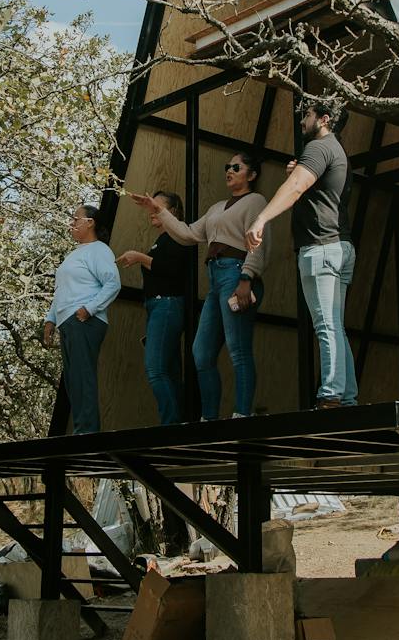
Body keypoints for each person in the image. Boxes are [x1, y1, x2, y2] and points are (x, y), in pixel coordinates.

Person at [129, 154, 268, 418]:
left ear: (252, 175)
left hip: (237, 271)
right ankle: (209, 418)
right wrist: (159, 210)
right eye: (227, 167)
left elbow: (258, 240)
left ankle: (241, 414)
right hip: (215, 277)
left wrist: (247, 277)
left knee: (238, 348)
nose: (229, 170)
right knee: (201, 352)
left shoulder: (256, 201)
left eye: (236, 167)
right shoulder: (217, 208)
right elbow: (188, 234)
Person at [247, 97, 355, 408]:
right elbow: (312, 188)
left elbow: (295, 188)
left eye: (306, 115)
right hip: (339, 247)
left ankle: (332, 395)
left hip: (321, 248)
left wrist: (261, 219)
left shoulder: (318, 147)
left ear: (324, 119)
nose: (301, 121)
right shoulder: (336, 150)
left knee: (326, 325)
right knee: (335, 325)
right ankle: (346, 397)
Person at [117, 192, 195, 426]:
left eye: (157, 206)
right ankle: (179, 423)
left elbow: (171, 269)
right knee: (169, 371)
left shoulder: (178, 235)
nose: (151, 211)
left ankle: (171, 424)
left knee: (156, 369)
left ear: (173, 211)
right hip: (158, 306)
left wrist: (140, 257)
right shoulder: (162, 240)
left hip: (167, 304)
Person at [44, 202, 121, 434]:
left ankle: (87, 432)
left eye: (76, 219)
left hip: (85, 321)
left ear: (90, 223)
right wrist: (50, 319)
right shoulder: (74, 254)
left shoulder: (99, 250)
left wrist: (89, 309)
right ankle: (81, 429)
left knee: (82, 375)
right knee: (72, 380)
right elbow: (62, 290)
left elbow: (112, 283)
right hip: (67, 321)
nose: (72, 223)